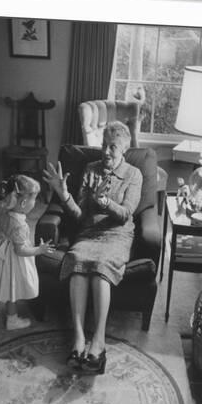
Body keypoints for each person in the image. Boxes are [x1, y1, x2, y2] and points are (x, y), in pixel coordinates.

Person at [43, 121, 142, 373]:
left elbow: (126, 214)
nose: (106, 152)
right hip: (89, 233)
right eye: (103, 146)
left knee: (99, 270)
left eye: (113, 147)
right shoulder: (90, 169)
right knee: (77, 265)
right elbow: (79, 214)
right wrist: (64, 194)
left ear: (124, 150)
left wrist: (106, 202)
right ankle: (78, 337)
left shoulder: (134, 175)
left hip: (117, 235)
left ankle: (98, 340)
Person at [0, 174, 55, 330]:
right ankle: (12, 319)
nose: (35, 203)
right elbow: (21, 250)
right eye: (34, 199)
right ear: (24, 202)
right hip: (12, 260)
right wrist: (39, 250)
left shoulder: (4, 211)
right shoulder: (20, 225)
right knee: (11, 288)